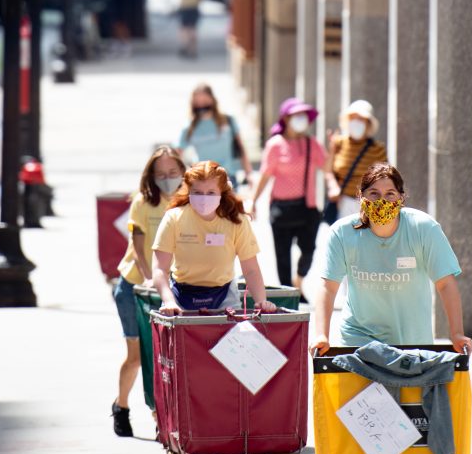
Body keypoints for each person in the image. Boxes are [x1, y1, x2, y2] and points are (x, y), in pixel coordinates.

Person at [311, 162, 472, 356]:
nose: (383, 201)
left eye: (390, 194)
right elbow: (328, 287)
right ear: (361, 198)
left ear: (401, 198)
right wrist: (321, 335)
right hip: (359, 342)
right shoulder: (342, 233)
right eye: (374, 194)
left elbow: (445, 283)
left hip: (412, 344)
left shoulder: (424, 229)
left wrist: (456, 334)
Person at [111, 144, 186, 437]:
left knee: (164, 358)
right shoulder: (144, 202)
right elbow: (138, 248)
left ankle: (162, 418)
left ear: (182, 171)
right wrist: (147, 279)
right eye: (160, 173)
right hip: (136, 287)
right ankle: (122, 405)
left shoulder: (188, 201)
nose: (167, 178)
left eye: (172, 172)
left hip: (172, 288)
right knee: (137, 356)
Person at [152, 160, 276, 313]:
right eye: (197, 193)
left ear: (221, 193)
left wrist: (261, 301)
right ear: (189, 191)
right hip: (180, 295)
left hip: (224, 296)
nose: (204, 198)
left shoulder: (237, 221)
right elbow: (159, 269)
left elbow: (250, 269)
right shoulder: (173, 218)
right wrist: (169, 301)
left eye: (211, 193)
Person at [250, 97, 327, 294]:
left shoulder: (311, 144)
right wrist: (254, 201)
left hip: (307, 207)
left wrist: (334, 150)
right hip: (281, 208)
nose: (300, 119)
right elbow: (266, 175)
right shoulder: (275, 145)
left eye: (303, 115)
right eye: (296, 115)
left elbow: (326, 167)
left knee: (309, 249)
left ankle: (299, 281)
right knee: (282, 256)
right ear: (286, 118)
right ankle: (287, 293)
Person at [323, 99, 387, 223]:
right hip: (343, 203)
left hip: (369, 204)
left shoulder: (378, 149)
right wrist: (332, 187)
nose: (356, 122)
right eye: (353, 118)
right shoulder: (339, 143)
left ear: (368, 123)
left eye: (361, 119)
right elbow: (328, 170)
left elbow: (385, 177)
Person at [177, 83, 253, 185]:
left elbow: (240, 147)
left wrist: (248, 173)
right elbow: (177, 154)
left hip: (228, 178)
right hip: (203, 181)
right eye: (197, 102)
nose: (201, 105)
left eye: (204, 101)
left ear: (212, 99)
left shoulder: (228, 120)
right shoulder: (189, 128)